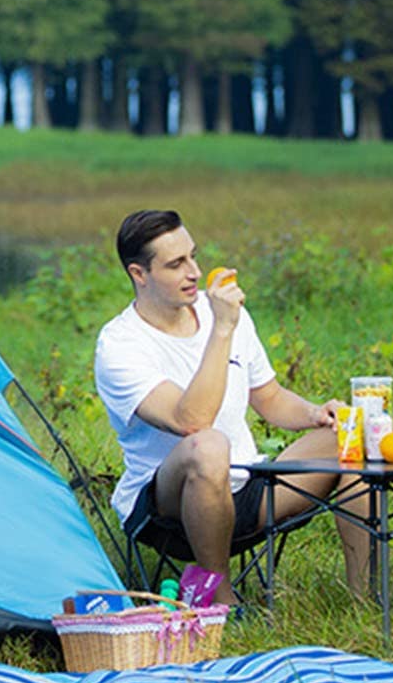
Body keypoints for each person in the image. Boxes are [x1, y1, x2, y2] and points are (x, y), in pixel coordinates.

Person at [94, 209, 369, 605]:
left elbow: (270, 398)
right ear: (140, 274)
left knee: (350, 431)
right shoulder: (120, 345)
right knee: (208, 445)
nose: (194, 271)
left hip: (247, 486)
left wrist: (316, 413)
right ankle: (220, 598)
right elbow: (191, 421)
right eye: (176, 264)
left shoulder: (218, 310)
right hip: (167, 506)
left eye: (192, 256)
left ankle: (363, 596)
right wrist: (222, 330)